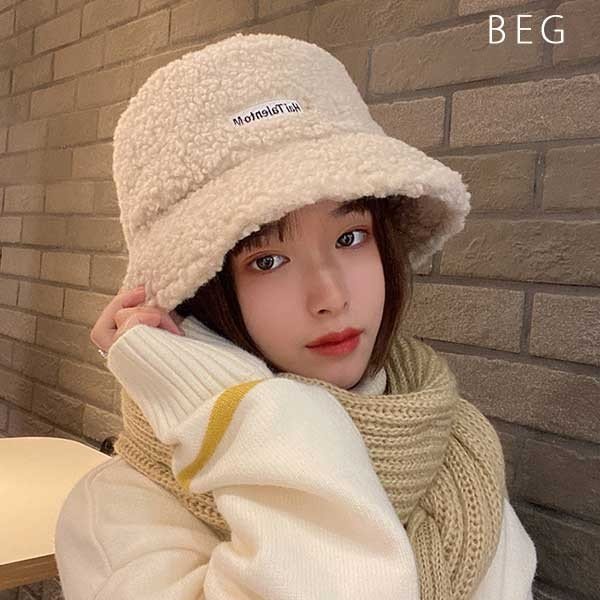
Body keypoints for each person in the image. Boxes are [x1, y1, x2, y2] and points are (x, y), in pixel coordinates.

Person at [53, 32, 537, 600]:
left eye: (351, 236)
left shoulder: (456, 451)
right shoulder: (118, 516)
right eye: (268, 260)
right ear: (198, 295)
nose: (330, 296)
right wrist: (235, 405)